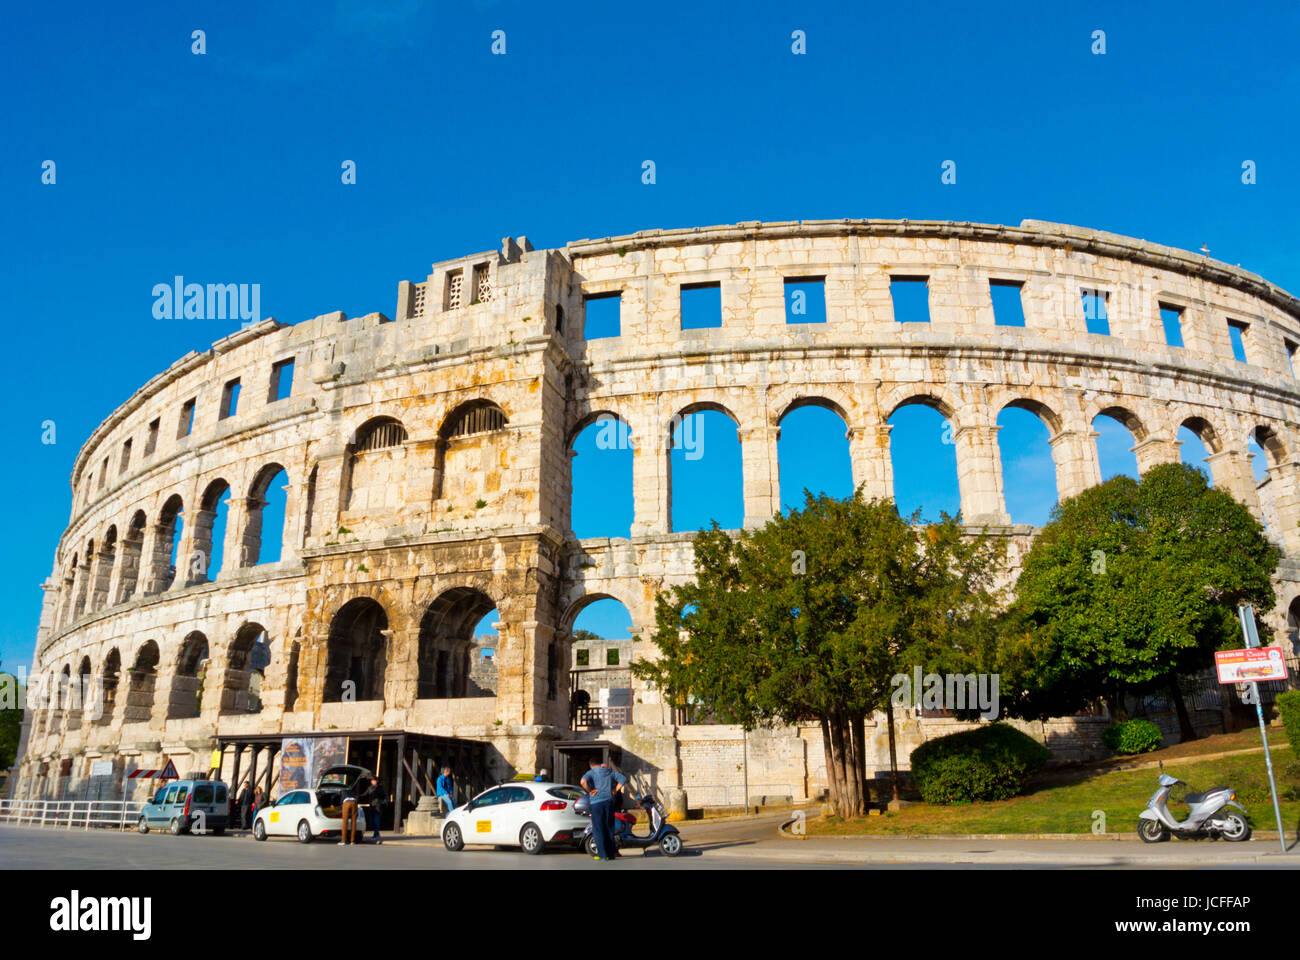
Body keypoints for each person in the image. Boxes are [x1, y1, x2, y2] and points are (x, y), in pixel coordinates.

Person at [580, 757, 626, 862]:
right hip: (609, 802)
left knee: (598, 829)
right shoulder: (609, 771)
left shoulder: (591, 772)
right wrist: (615, 790)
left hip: (596, 803)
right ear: (601, 763)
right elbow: (623, 779)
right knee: (609, 827)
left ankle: (602, 855)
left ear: (591, 765)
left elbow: (582, 781)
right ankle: (611, 853)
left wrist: (590, 791)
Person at [363, 776, 385, 845]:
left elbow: (383, 796)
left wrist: (381, 802)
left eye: (374, 780)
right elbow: (365, 794)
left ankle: (375, 834)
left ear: (377, 781)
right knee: (371, 821)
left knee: (376, 821)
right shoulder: (370, 788)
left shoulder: (380, 788)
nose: (373, 782)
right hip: (371, 806)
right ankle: (377, 833)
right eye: (372, 780)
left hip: (377, 806)